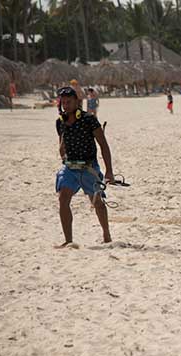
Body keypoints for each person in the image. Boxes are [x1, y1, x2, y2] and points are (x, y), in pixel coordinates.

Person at [54, 86, 114, 247]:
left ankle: (106, 235)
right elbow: (62, 145)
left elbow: (103, 145)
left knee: (97, 203)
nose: (66, 105)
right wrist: (63, 153)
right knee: (63, 198)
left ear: (77, 102)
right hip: (70, 168)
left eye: (69, 102)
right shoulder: (60, 122)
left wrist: (109, 171)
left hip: (89, 167)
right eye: (63, 102)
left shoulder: (89, 119)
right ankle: (68, 240)